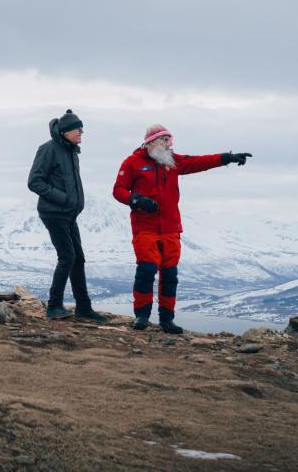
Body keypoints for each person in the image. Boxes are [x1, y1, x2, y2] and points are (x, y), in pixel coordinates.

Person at [112, 124, 252, 333]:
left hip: (171, 228)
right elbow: (118, 190)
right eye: (165, 140)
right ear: (152, 142)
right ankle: (142, 316)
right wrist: (137, 200)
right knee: (146, 271)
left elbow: (199, 162)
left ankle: (167, 319)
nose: (169, 144)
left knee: (170, 275)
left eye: (170, 140)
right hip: (145, 228)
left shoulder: (172, 161)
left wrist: (227, 158)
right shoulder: (132, 162)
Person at [27, 109, 107, 322]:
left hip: (69, 214)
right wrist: (63, 198)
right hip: (54, 212)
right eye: (77, 128)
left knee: (78, 259)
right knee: (67, 257)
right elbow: (34, 181)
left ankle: (83, 308)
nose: (81, 132)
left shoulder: (71, 151)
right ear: (65, 131)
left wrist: (72, 204)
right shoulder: (48, 149)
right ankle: (54, 306)